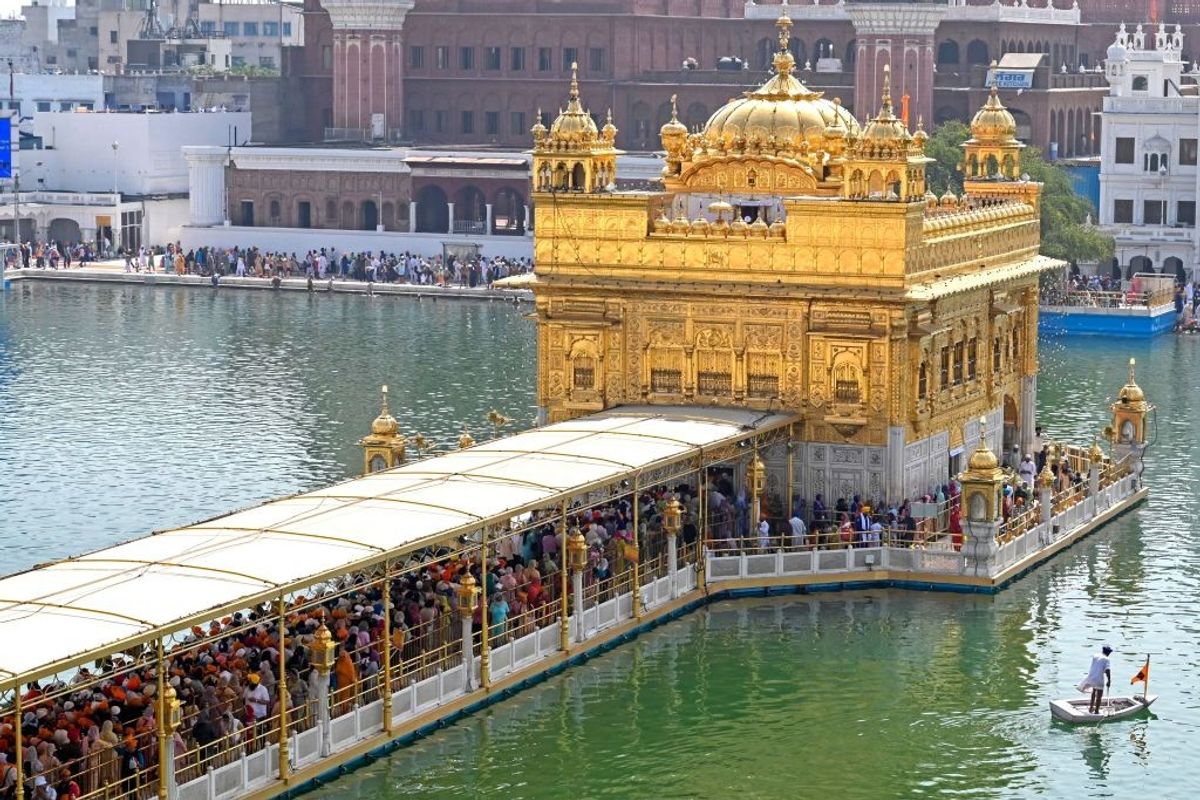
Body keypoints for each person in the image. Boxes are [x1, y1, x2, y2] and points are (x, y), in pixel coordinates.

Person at [1078, 645, 1113, 714]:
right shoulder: (1106, 659)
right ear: (1108, 653)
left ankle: (1091, 708)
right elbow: (1107, 670)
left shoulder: (1095, 655)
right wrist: (1109, 680)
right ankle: (1096, 711)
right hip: (1099, 678)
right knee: (1099, 695)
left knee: (1094, 691)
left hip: (1091, 676)